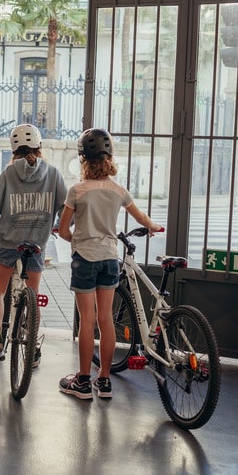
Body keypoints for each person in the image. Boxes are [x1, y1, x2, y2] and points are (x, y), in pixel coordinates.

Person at [56, 128, 162, 400]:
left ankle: (81, 382)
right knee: (106, 320)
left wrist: (77, 242)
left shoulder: (77, 191)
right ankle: (104, 381)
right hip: (109, 258)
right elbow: (140, 217)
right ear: (109, 158)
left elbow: (63, 229)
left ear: (83, 160)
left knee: (87, 320)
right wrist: (153, 226)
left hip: (85, 259)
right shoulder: (118, 191)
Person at [0, 123, 67, 366]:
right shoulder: (54, 173)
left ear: (13, 149)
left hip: (9, 244)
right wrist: (58, 224)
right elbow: (67, 205)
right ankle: (32, 345)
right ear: (39, 147)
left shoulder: (8, 174)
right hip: (37, 244)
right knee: (33, 296)